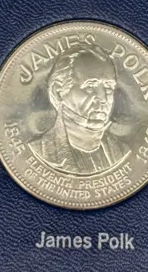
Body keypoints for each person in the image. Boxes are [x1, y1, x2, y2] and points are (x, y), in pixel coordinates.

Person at [30, 42, 130, 175]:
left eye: (108, 87)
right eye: (90, 86)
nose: (103, 98)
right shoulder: (38, 151)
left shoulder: (123, 152)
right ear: (58, 92)